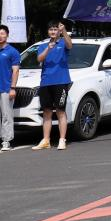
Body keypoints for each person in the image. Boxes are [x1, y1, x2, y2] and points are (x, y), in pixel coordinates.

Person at [34, 21, 73, 150]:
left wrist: (64, 31)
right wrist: (48, 48)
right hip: (46, 82)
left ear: (59, 31)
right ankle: (46, 140)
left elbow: (70, 45)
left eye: (55, 29)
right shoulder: (43, 45)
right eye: (51, 29)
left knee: (60, 111)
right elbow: (39, 59)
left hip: (61, 81)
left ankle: (62, 139)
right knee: (47, 111)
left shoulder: (63, 43)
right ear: (48, 31)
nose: (53, 31)